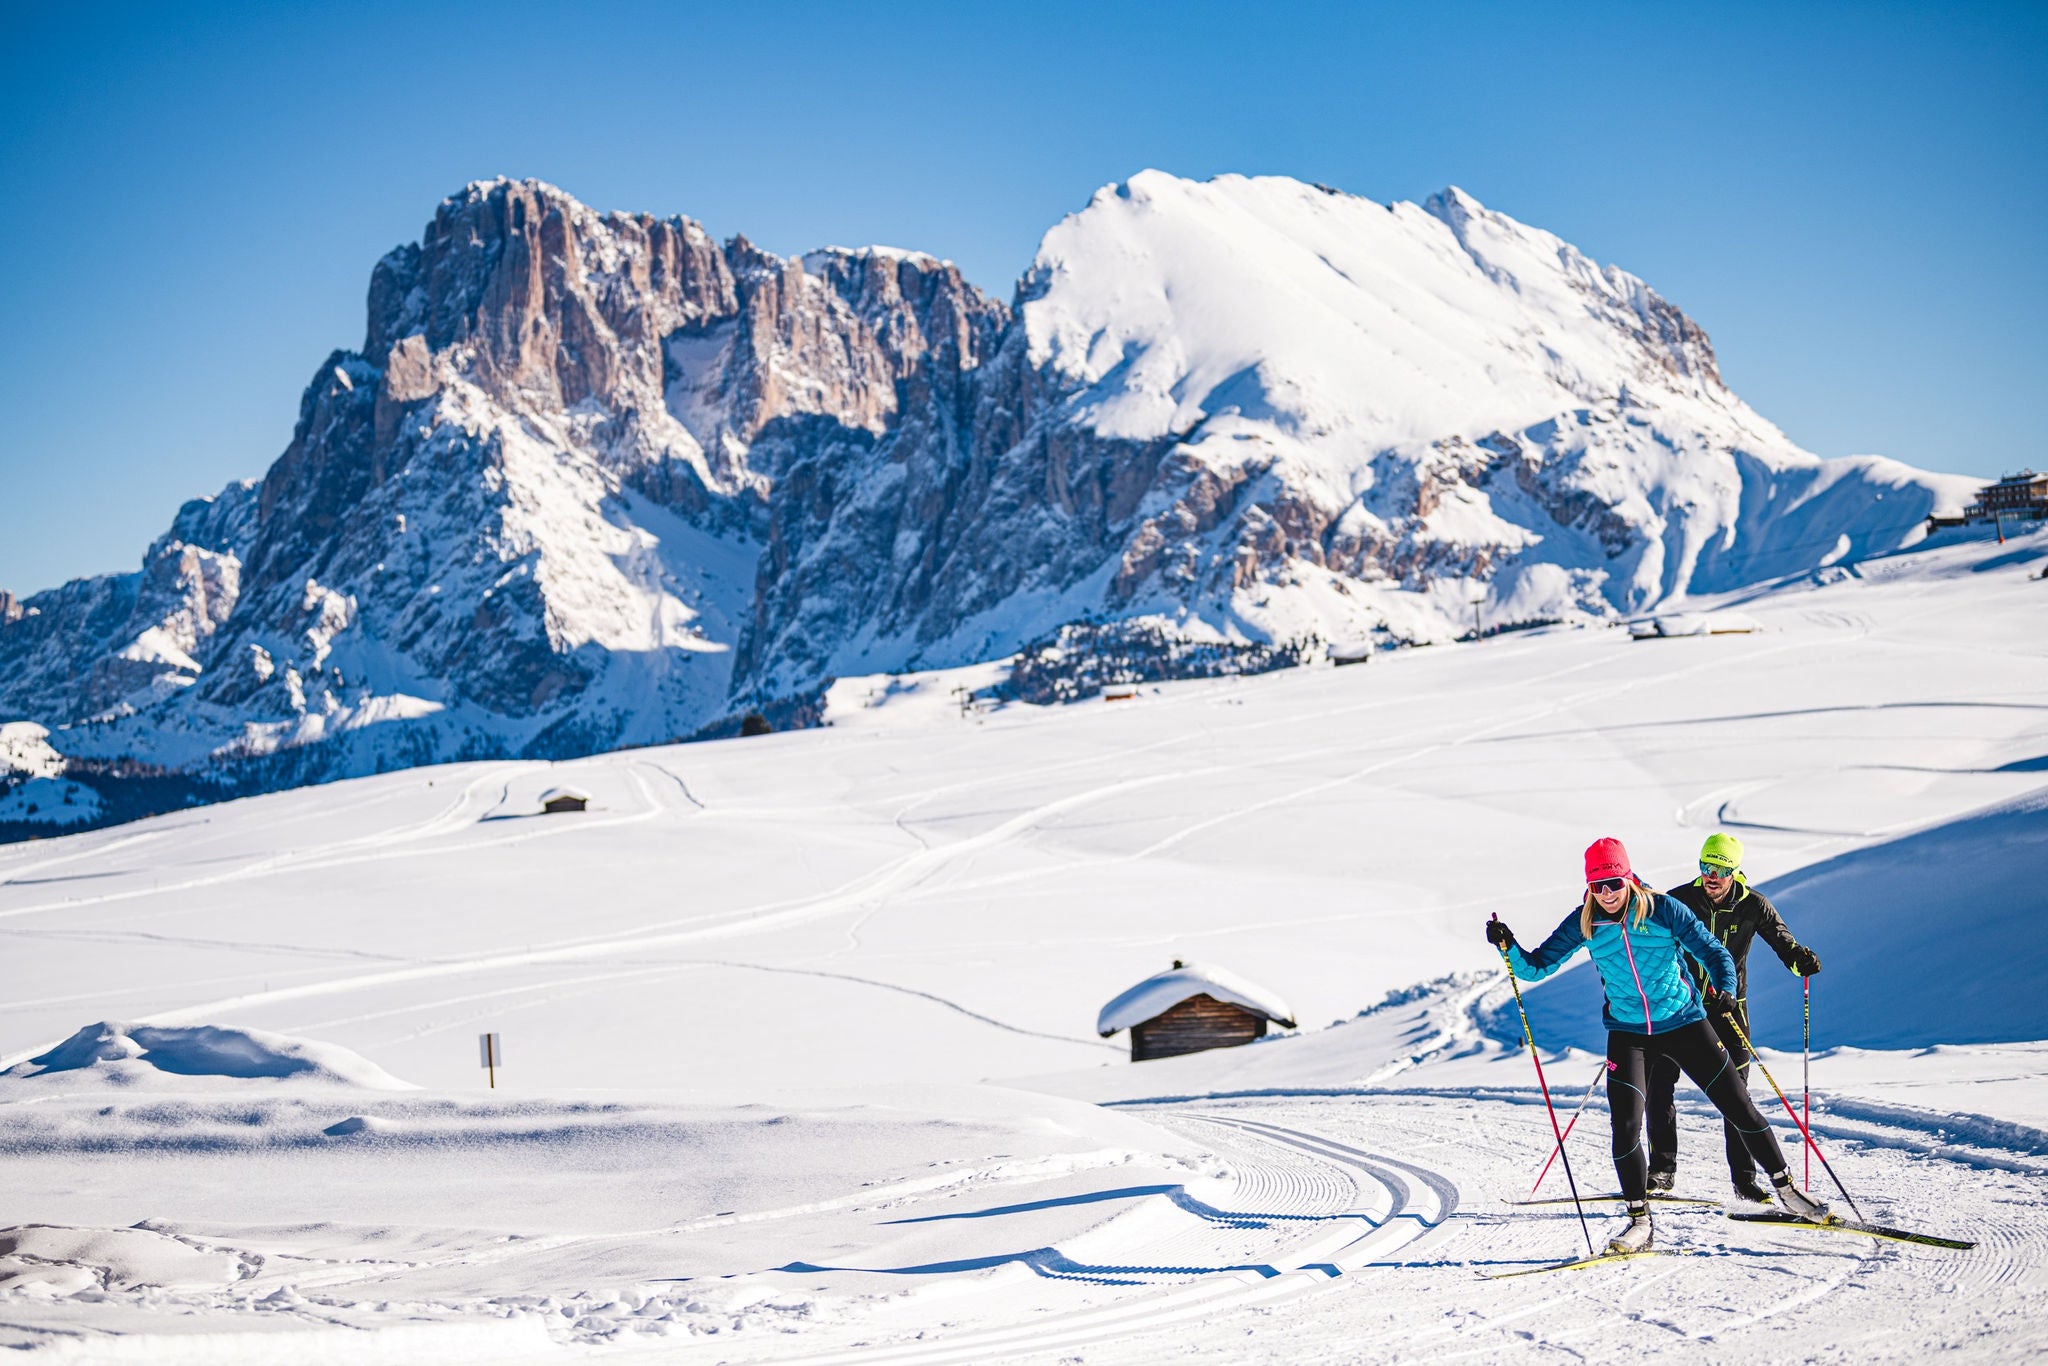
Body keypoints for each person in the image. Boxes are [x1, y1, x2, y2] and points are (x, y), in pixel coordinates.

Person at [1486, 836, 1828, 1255]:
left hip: (1684, 1023)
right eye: (1597, 886)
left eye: (1614, 883)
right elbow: (1537, 967)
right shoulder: (1586, 921)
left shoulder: (1663, 909)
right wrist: (1509, 947)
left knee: (1737, 1104)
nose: (1607, 894)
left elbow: (1716, 953)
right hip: (1629, 1034)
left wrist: (1723, 990)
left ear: (1628, 877)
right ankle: (1638, 1220)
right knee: (1626, 1125)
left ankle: (1787, 1189)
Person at [1647, 832, 1823, 1202]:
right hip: (1679, 1009)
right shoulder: (1678, 900)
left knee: (1736, 1095)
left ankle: (1744, 1180)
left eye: (1721, 869)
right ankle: (1661, 1171)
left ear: (1736, 871)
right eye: (1705, 867)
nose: (1711, 876)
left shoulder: (1754, 905)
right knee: (1659, 1085)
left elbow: (1782, 942)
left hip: (1729, 1010)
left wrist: (1799, 962)